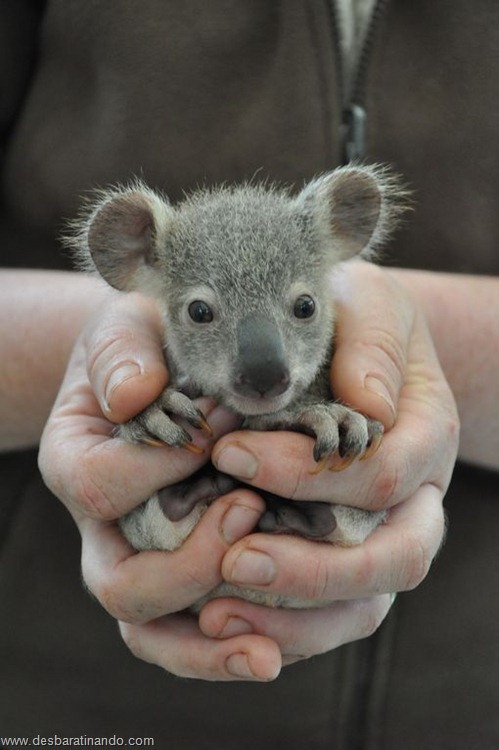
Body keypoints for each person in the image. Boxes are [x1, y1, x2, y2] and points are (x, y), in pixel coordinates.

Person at [1, 1, 498, 746]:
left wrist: (398, 360)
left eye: (303, 307)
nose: (262, 367)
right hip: (73, 690)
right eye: (200, 315)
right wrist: (113, 377)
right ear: (131, 257)